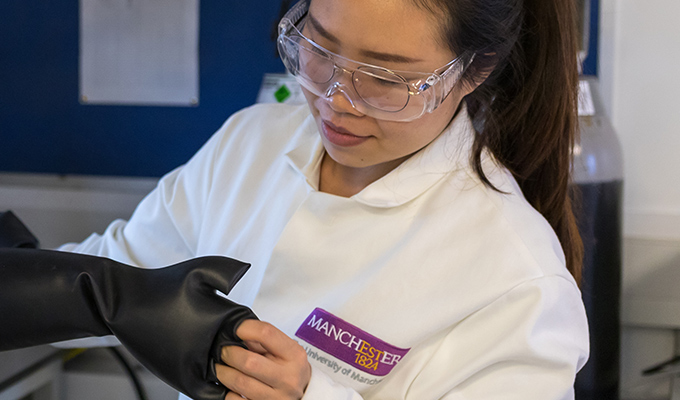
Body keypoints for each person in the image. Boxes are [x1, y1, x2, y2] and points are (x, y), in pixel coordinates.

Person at [59, 0, 589, 398]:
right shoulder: (252, 144)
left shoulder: (515, 279)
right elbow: (111, 281)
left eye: (385, 78)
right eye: (318, 49)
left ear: (475, 69)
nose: (336, 101)